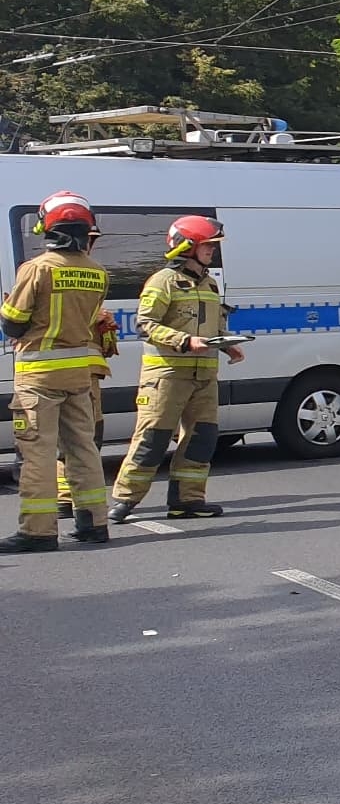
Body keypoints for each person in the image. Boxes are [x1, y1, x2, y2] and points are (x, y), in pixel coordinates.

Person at [0, 191, 119, 552]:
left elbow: (13, 324)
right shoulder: (97, 272)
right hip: (78, 375)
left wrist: (7, 305)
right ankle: (94, 523)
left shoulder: (36, 269)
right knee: (83, 448)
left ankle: (37, 531)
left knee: (37, 452)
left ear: (47, 228)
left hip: (39, 376)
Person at [110, 216, 245, 522]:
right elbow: (145, 325)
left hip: (204, 377)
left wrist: (227, 344)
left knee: (202, 438)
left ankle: (188, 500)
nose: (212, 250)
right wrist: (185, 341)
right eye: (207, 245)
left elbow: (214, 323)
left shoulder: (210, 283)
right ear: (186, 246)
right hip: (167, 376)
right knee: (152, 439)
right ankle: (125, 500)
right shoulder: (162, 281)